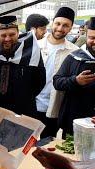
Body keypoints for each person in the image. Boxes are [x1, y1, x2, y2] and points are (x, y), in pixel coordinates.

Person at [0, 15, 46, 124]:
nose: (7, 39)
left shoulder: (31, 52)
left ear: (18, 33)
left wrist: (23, 95)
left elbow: (39, 81)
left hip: (23, 113)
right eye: (3, 35)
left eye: (12, 34)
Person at [35, 7, 78, 138]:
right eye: (58, 23)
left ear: (70, 28)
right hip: (32, 105)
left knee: (45, 147)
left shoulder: (74, 52)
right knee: (24, 146)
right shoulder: (35, 46)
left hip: (55, 108)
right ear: (52, 23)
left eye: (65, 25)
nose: (60, 28)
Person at [53, 17, 95, 138]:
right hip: (74, 122)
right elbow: (57, 81)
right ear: (86, 36)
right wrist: (75, 81)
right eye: (92, 38)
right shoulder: (74, 57)